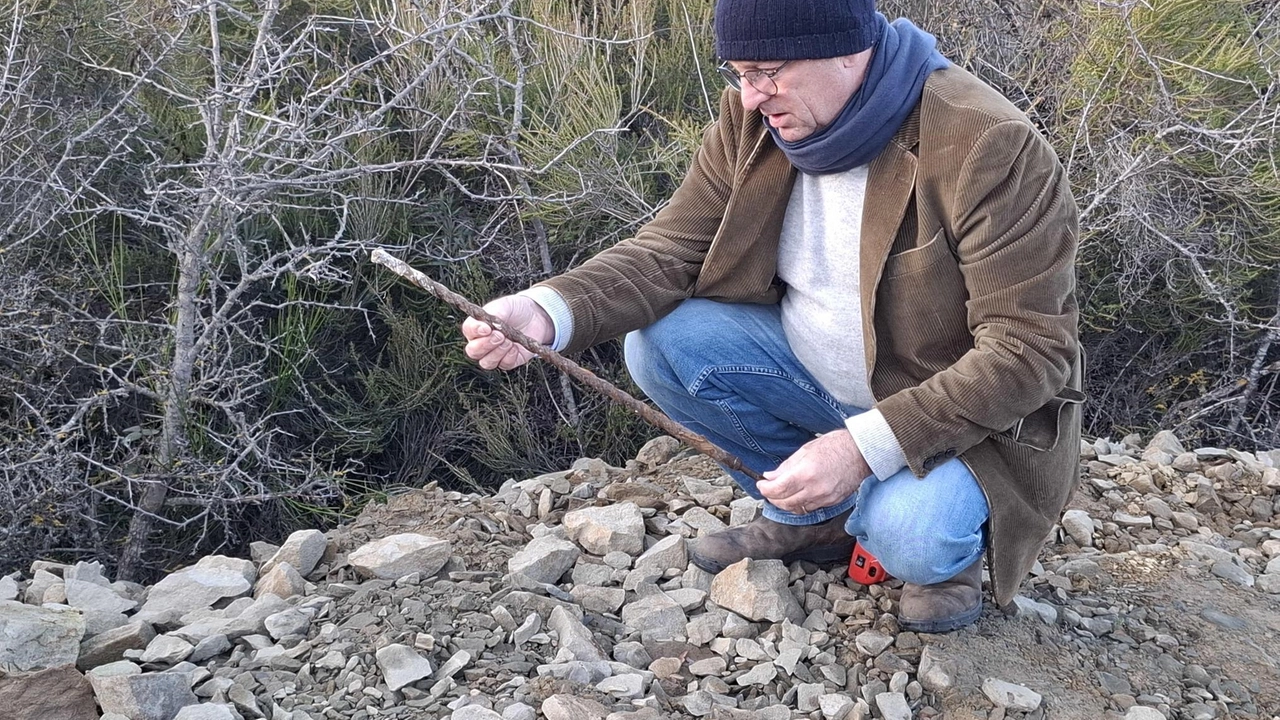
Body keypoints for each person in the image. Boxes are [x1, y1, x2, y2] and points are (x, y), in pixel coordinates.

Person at [461, 0, 1083, 633]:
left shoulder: (986, 143)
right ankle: (817, 519)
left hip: (958, 425)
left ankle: (945, 555)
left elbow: (1028, 351)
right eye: (737, 73)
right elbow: (675, 246)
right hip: (821, 386)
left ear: (846, 49)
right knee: (664, 342)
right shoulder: (757, 118)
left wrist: (863, 449)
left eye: (766, 71)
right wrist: (545, 310)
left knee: (910, 540)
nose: (751, 97)